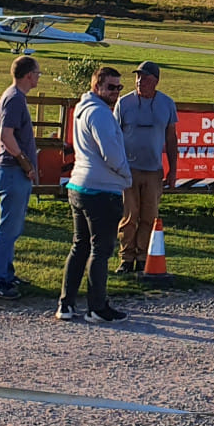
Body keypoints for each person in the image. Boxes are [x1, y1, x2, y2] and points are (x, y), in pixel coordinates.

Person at [59, 65, 130, 324]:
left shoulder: (82, 108)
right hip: (102, 188)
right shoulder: (100, 114)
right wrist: (125, 174)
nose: (115, 92)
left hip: (79, 185)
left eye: (119, 87)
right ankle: (97, 307)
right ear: (96, 86)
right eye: (111, 87)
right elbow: (110, 153)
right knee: (101, 250)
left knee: (80, 246)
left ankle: (66, 304)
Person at [115, 60, 178, 273]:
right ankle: (126, 258)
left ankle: (143, 256)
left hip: (153, 170)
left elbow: (171, 139)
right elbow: (114, 136)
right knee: (129, 215)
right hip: (128, 169)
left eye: (146, 78)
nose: (140, 81)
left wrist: (173, 170)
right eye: (138, 77)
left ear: (156, 82)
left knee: (149, 216)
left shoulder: (167, 104)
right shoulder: (124, 104)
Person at [0, 55, 40, 300]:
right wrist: (25, 161)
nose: (39, 77)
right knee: (8, 227)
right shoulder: (15, 99)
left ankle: (6, 272)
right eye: (37, 73)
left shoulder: (14, 97)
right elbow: (7, 136)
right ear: (28, 74)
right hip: (12, 170)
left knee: (14, 225)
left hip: (12, 170)